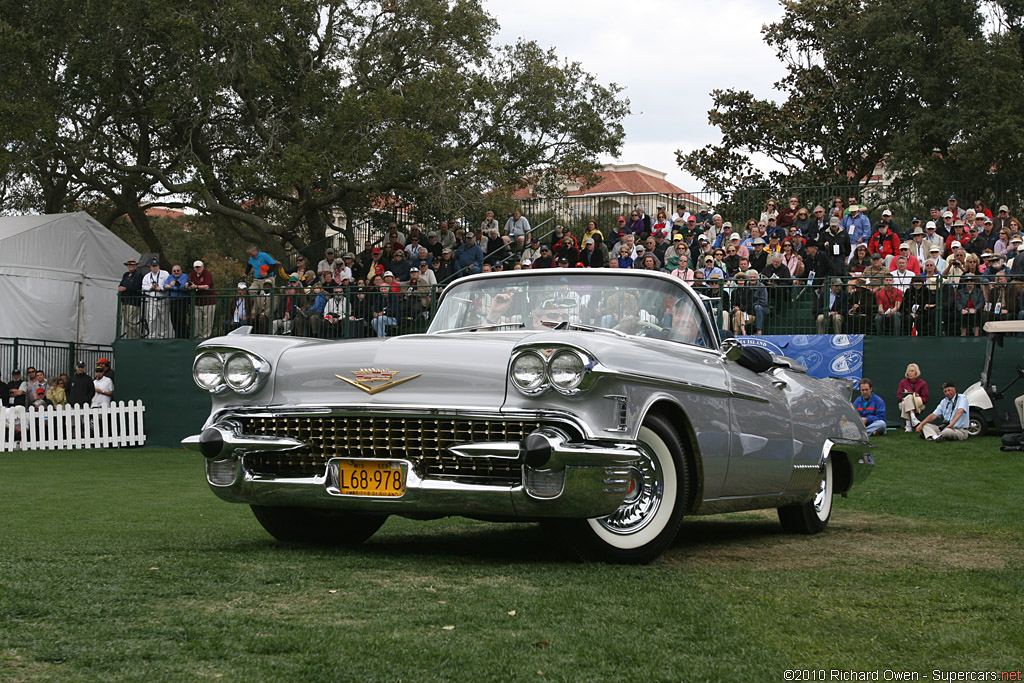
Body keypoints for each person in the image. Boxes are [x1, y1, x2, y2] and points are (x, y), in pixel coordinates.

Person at [141, 259, 171, 339]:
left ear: (159, 266)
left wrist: (160, 288)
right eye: (153, 266)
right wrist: (151, 287)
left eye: (156, 266)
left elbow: (168, 284)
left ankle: (162, 335)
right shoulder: (147, 276)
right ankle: (152, 335)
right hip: (152, 299)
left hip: (163, 299)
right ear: (150, 267)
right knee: (152, 318)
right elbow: (143, 287)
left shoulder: (165, 274)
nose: (155, 268)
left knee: (163, 319)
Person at [897, 364, 930, 432]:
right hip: (904, 403)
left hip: (918, 404)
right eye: (909, 371)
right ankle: (913, 419)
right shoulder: (903, 382)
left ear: (916, 372)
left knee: (909, 397)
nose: (910, 373)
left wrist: (917, 397)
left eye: (912, 371)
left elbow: (926, 398)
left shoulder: (923, 383)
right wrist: (905, 395)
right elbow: (899, 396)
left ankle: (908, 424)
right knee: (907, 399)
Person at [188, 260, 216, 338]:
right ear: (194, 268)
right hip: (197, 302)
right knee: (197, 321)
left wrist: (196, 286)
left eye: (199, 267)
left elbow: (206, 286)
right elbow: (188, 284)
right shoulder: (192, 275)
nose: (198, 268)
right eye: (196, 267)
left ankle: (206, 337)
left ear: (202, 267)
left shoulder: (207, 274)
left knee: (208, 322)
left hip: (208, 301)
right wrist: (189, 285)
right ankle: (197, 337)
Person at [117, 258, 144, 338]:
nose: (130, 266)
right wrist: (120, 288)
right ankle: (130, 337)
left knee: (131, 321)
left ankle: (137, 337)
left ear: (135, 266)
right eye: (129, 265)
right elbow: (121, 284)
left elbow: (136, 287)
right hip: (125, 301)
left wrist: (125, 288)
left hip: (133, 302)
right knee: (126, 322)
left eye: (132, 265)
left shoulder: (138, 274)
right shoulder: (125, 275)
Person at [163, 264, 191, 338]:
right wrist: (175, 285)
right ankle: (177, 336)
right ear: (172, 272)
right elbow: (164, 286)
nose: (176, 272)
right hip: (173, 300)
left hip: (182, 300)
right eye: (174, 271)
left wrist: (172, 286)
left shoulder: (184, 276)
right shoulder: (170, 277)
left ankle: (184, 336)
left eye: (178, 271)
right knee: (173, 319)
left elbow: (183, 287)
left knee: (181, 319)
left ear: (181, 271)